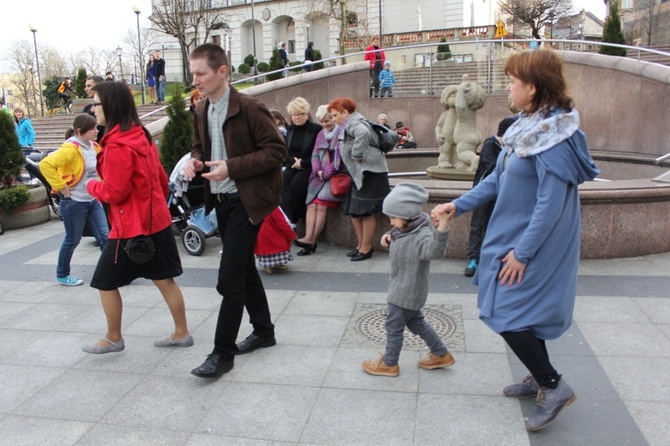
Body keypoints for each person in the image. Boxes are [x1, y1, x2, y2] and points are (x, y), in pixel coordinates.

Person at [432, 50, 599, 431]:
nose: (507, 86)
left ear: (533, 87)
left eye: (512, 80)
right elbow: (497, 178)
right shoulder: (530, 124)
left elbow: (550, 204)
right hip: (514, 231)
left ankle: (553, 385)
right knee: (516, 310)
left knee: (506, 311)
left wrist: (523, 254)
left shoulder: (555, 136)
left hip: (534, 239)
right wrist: (458, 205)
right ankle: (538, 375)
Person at [183, 43, 287, 379]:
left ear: (222, 71)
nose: (194, 79)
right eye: (193, 72)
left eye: (201, 73)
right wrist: (196, 161)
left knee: (229, 280)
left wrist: (231, 168)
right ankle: (264, 331)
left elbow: (276, 151)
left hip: (249, 201)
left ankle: (222, 354)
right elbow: (202, 146)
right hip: (222, 202)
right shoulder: (201, 109)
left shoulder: (249, 107)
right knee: (243, 270)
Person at [82, 80, 192, 354]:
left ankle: (112, 338)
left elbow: (116, 192)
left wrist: (91, 185)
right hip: (156, 222)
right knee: (164, 279)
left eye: (95, 104)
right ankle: (181, 333)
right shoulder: (140, 135)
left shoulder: (118, 145)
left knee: (104, 282)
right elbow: (161, 178)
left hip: (130, 227)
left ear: (110, 105)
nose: (93, 110)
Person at [362, 182, 453, 376]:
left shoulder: (421, 235)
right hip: (407, 290)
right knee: (417, 323)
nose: (391, 222)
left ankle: (389, 363)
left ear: (407, 215)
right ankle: (440, 353)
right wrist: (388, 236)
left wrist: (442, 228)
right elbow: (399, 234)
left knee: (393, 327)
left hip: (404, 292)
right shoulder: (405, 229)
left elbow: (434, 251)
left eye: (393, 218)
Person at [39, 114, 109, 286]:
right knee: (72, 240)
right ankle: (62, 274)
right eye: (92, 128)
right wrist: (61, 186)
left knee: (106, 238)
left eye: (95, 127)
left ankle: (112, 271)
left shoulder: (94, 146)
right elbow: (45, 165)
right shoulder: (70, 149)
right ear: (80, 131)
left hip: (92, 199)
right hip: (74, 202)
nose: (96, 130)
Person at [327, 97, 390, 261]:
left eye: (335, 115)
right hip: (362, 173)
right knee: (356, 212)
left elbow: (362, 134)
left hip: (370, 173)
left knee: (365, 212)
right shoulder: (351, 122)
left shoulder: (354, 123)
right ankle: (360, 245)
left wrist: (356, 153)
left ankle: (366, 247)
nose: (333, 119)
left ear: (345, 112)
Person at [464, 116, 518, 277]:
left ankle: (488, 259)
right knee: (477, 226)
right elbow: (493, 168)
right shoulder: (490, 144)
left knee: (493, 227)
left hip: (501, 194)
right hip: (483, 193)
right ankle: (473, 259)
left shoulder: (511, 148)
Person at [293, 105, 345, 255]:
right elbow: (315, 153)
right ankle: (308, 238)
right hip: (319, 175)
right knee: (311, 204)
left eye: (328, 120)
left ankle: (312, 241)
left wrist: (326, 173)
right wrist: (317, 170)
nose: (325, 124)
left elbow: (339, 160)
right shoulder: (321, 134)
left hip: (335, 176)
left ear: (333, 118)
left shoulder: (341, 133)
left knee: (320, 204)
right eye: (322, 121)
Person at [280, 97, 322, 224]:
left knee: (296, 185)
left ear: (306, 114)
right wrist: (294, 162)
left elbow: (319, 152)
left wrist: (302, 163)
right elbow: (284, 150)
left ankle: (297, 215)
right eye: (294, 114)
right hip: (293, 165)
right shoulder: (290, 129)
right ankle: (287, 218)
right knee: (282, 181)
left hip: (309, 165)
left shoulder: (316, 129)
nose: (296, 117)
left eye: (300, 114)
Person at [254, 206, 295, 274]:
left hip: (261, 234)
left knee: (266, 250)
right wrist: (291, 235)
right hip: (273, 234)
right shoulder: (273, 207)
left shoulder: (256, 206)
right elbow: (282, 222)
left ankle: (269, 265)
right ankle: (272, 264)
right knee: (277, 248)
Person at [82, 75, 105, 142]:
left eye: (89, 86)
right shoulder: (87, 108)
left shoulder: (108, 108)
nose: (85, 89)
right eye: (86, 86)